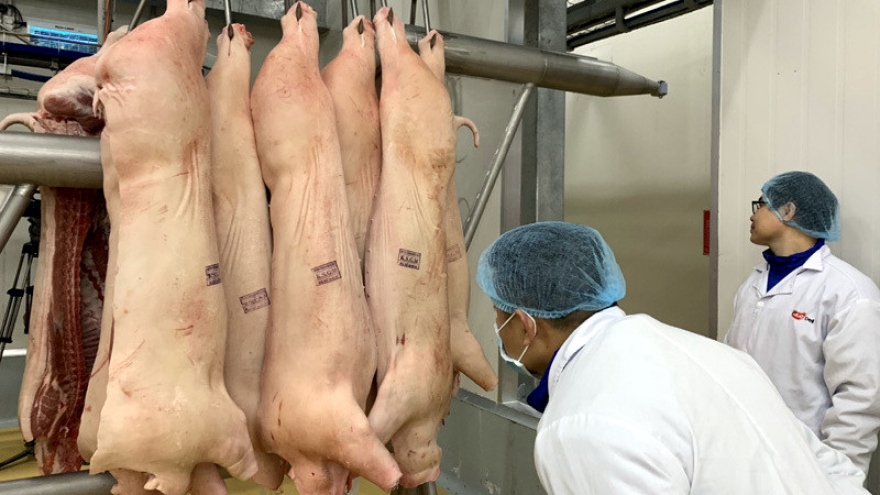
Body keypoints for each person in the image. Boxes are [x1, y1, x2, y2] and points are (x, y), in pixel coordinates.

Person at [477, 221, 868, 495]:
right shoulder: (712, 355)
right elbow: (829, 467)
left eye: (498, 314)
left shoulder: (581, 425)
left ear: (526, 325)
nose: (497, 328)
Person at [725, 171, 880, 475]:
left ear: (788, 210)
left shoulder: (849, 292)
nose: (753, 214)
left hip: (810, 461)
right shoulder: (753, 283)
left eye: (762, 204)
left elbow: (860, 398)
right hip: (746, 449)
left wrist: (840, 476)